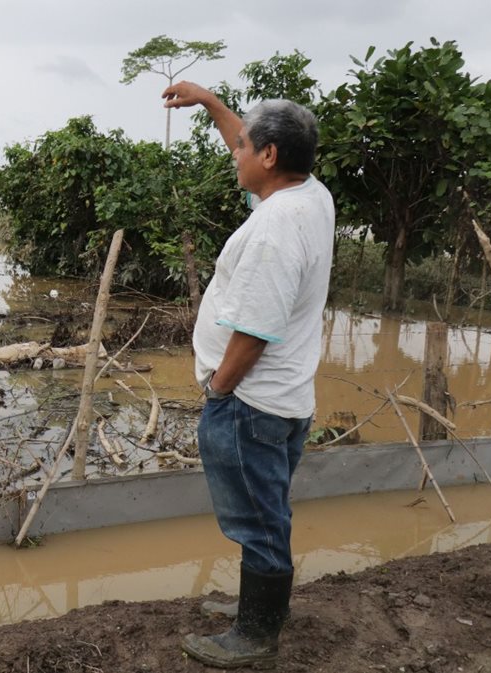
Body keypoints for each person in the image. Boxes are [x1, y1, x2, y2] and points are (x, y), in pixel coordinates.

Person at [161, 81, 334, 668]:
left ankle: (257, 634)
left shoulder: (275, 227)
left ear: (268, 157)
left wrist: (218, 387)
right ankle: (261, 609)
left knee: (257, 522)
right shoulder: (310, 194)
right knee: (268, 510)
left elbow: (255, 329)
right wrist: (209, 102)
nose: (233, 151)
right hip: (285, 398)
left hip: (251, 404)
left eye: (243, 147)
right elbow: (243, 134)